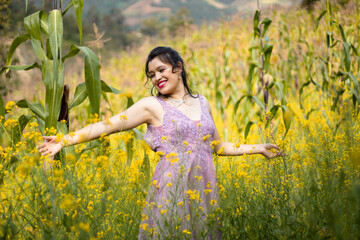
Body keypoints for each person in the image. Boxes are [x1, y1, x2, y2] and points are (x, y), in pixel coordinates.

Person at [37, 46, 282, 239]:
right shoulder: (152, 106)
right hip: (172, 187)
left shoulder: (203, 102)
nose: (156, 78)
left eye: (161, 70)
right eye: (151, 75)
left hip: (204, 189)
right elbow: (106, 126)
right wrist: (63, 140)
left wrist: (258, 148)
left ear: (178, 68)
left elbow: (218, 146)